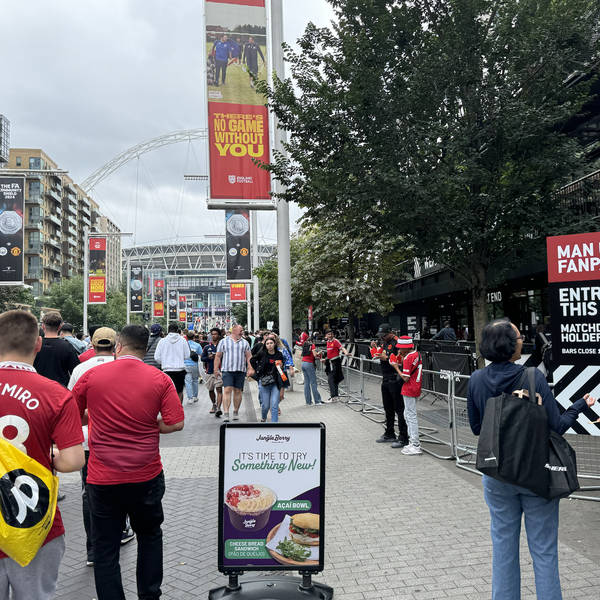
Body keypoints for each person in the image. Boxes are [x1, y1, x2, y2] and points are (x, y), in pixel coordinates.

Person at [467, 319, 596, 600]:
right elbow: (557, 427)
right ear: (510, 345)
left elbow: (477, 428)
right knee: (544, 551)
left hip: (497, 473)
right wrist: (579, 405)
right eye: (518, 337)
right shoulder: (533, 378)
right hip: (537, 474)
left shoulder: (476, 379)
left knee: (503, 549)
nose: (522, 341)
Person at [72, 325, 185, 600]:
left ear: (118, 346)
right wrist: (149, 424)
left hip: (103, 477)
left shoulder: (92, 375)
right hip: (146, 475)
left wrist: (95, 418)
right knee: (149, 536)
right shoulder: (160, 379)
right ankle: (149, 596)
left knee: (105, 547)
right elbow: (176, 423)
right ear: (145, 350)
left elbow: (72, 416)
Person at [0, 310, 85, 599]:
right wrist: (47, 456)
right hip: (34, 520)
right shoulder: (56, 395)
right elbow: (74, 461)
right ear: (38, 344)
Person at [67, 327, 134, 565]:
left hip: (87, 440)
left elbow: (71, 408)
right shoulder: (124, 369)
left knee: (89, 494)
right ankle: (122, 531)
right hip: (119, 440)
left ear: (91, 346)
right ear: (117, 345)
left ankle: (94, 548)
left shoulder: (80, 369)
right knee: (123, 487)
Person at [374, 327, 409, 446]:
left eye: (384, 335)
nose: (381, 337)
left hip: (395, 379)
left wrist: (387, 358)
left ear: (390, 333)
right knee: (388, 408)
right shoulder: (384, 342)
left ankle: (403, 437)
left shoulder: (398, 343)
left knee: (399, 409)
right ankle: (389, 433)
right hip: (385, 377)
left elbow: (402, 360)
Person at [214, 324, 255, 422]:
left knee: (237, 391)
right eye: (240, 330)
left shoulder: (245, 343)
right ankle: (226, 413)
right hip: (227, 370)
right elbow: (218, 356)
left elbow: (249, 357)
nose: (242, 332)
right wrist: (216, 369)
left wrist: (250, 368)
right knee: (227, 390)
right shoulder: (223, 342)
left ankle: (236, 411)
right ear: (234, 330)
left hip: (240, 370)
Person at [392, 336, 423, 455]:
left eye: (400, 348)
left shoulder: (408, 358)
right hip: (416, 386)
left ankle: (415, 444)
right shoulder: (417, 354)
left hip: (409, 388)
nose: (399, 350)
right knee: (408, 414)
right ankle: (413, 442)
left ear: (406, 348)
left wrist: (395, 367)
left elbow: (405, 378)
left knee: (410, 416)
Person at [34, 311, 80, 388]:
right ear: (59, 327)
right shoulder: (67, 346)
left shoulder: (33, 345)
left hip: (37, 389)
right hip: (60, 390)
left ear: (43, 326)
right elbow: (75, 371)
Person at [154, 323, 190, 404]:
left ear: (168, 330)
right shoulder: (183, 340)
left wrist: (164, 362)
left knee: (167, 392)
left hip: (167, 370)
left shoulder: (162, 341)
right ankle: (178, 409)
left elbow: (156, 357)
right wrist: (180, 358)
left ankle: (170, 409)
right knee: (179, 391)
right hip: (180, 370)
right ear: (178, 331)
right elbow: (187, 355)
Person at [251, 337, 284, 422]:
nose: (269, 345)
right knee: (265, 405)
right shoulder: (262, 353)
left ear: (274, 344)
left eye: (271, 343)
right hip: (264, 382)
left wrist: (281, 367)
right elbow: (252, 360)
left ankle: (274, 424)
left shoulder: (279, 354)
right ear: (265, 345)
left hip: (275, 383)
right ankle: (264, 417)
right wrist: (257, 370)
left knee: (274, 405)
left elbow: (281, 369)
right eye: (267, 343)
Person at [322, 330, 349, 402]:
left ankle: (333, 396)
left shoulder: (336, 341)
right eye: (328, 334)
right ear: (326, 335)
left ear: (333, 334)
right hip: (330, 362)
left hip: (335, 362)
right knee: (334, 380)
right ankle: (335, 396)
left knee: (331, 379)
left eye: (331, 334)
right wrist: (325, 359)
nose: (330, 335)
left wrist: (346, 353)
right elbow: (329, 353)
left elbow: (342, 347)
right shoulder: (327, 342)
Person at [202, 328, 224, 416]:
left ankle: (219, 408)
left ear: (219, 335)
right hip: (209, 371)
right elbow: (202, 358)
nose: (214, 336)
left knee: (219, 389)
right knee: (211, 390)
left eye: (215, 334)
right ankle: (214, 404)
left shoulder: (222, 346)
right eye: (212, 334)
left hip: (219, 371)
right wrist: (208, 357)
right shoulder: (207, 347)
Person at [301, 336, 323, 405]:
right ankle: (317, 401)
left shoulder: (305, 345)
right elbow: (314, 355)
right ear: (313, 340)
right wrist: (319, 352)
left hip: (303, 363)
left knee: (306, 383)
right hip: (309, 364)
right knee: (313, 383)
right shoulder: (312, 345)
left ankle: (308, 402)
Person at [184, 330, 201, 403]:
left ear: (186, 337)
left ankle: (190, 398)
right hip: (194, 365)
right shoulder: (197, 345)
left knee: (188, 382)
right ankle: (195, 396)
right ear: (194, 337)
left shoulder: (184, 344)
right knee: (195, 380)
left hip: (185, 365)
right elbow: (201, 354)